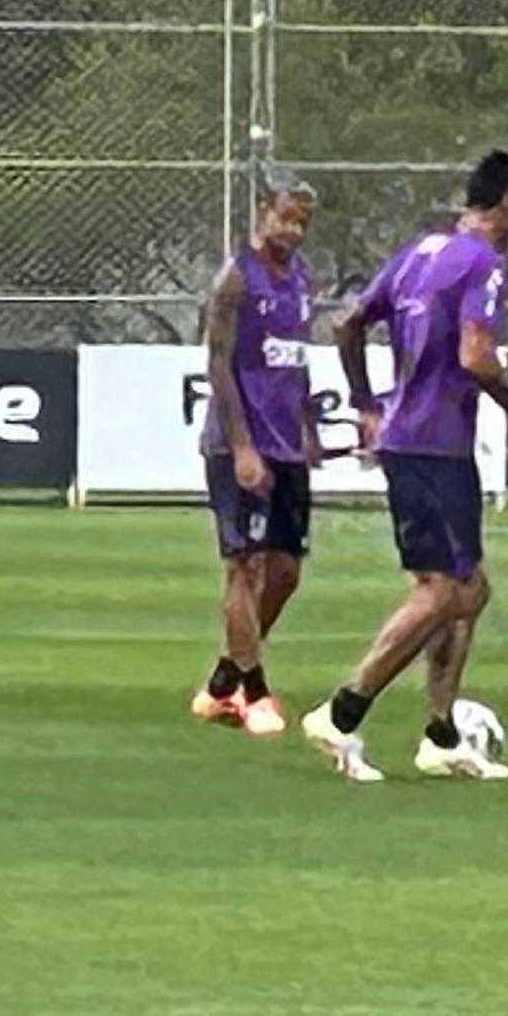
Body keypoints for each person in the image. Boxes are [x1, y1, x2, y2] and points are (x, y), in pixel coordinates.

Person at [300, 151, 508, 784]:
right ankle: (342, 711)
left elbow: (347, 324)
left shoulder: (419, 253)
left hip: (419, 439)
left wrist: (367, 404)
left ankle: (441, 735)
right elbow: (476, 355)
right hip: (431, 444)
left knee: (468, 588)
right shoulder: (483, 262)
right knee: (445, 591)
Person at [190, 172, 319, 739]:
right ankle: (255, 690)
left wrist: (308, 428)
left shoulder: (303, 279)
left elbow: (296, 361)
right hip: (239, 443)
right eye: (285, 218)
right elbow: (218, 363)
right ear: (263, 210)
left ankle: (225, 676)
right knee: (245, 564)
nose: (293, 231)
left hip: (286, 445)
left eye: (302, 223)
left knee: (285, 570)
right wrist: (242, 447)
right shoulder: (237, 279)